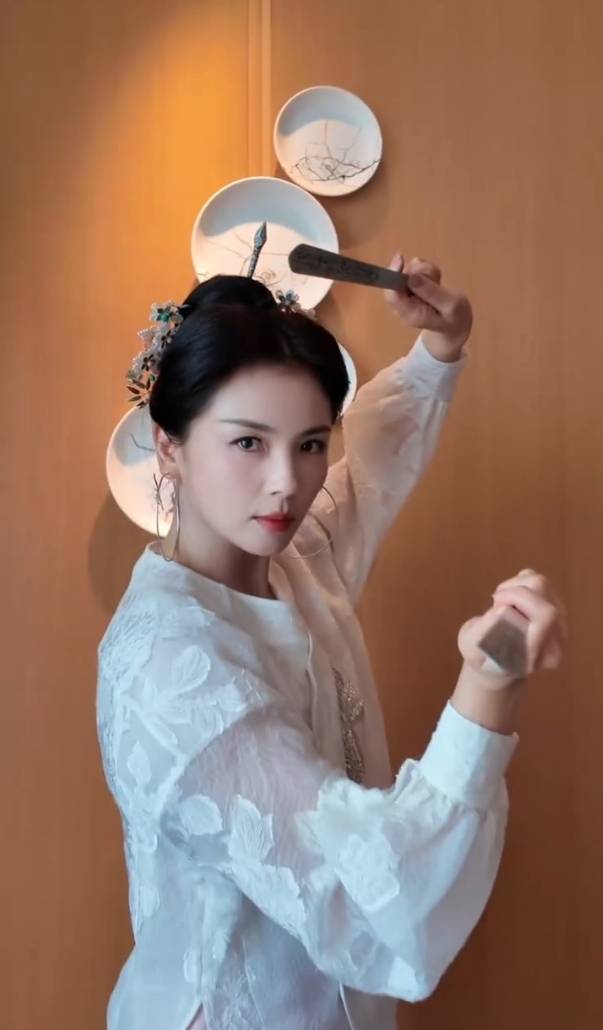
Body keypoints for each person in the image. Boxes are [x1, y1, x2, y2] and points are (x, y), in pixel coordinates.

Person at [96, 255, 565, 1030]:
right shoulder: (167, 666)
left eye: (310, 444)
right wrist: (487, 686)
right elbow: (382, 900)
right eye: (248, 443)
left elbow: (376, 462)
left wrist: (441, 344)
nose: (286, 481)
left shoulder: (296, 559)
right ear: (169, 446)